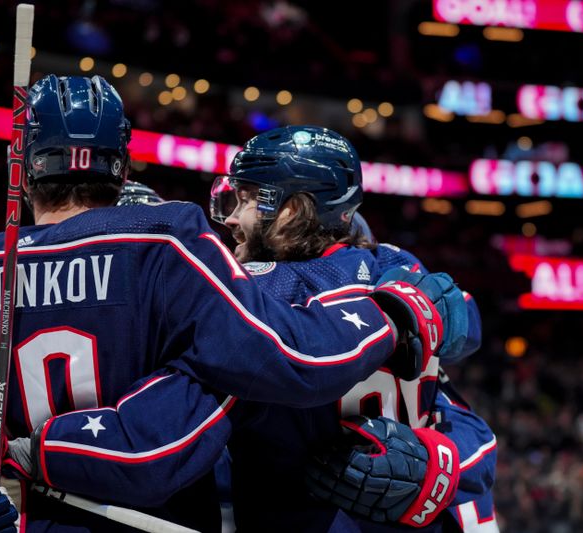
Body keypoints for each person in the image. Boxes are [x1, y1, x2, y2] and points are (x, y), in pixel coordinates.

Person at [0, 76, 467, 531]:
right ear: (120, 165)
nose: (229, 217)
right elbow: (257, 375)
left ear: (21, 167)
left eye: (242, 196)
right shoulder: (172, 244)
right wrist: (406, 317)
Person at [208, 125, 497, 531]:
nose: (233, 218)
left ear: (292, 209)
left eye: (248, 199)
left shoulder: (260, 286)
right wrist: (441, 464)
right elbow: (467, 339)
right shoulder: (404, 266)